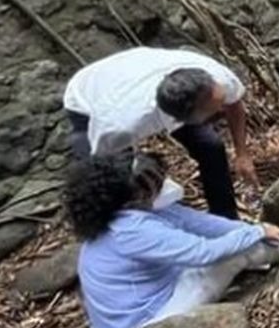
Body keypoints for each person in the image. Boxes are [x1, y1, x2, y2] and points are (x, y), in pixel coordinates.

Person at [68, 152, 279, 328]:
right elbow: (204, 252)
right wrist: (257, 233)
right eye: (159, 184)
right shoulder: (132, 230)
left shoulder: (125, 213)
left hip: (131, 313)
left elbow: (203, 224)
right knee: (237, 252)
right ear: (140, 194)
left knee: (239, 240)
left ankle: (275, 246)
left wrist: (252, 228)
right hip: (143, 326)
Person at [63, 47, 255, 219]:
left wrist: (242, 154)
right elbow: (101, 163)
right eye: (216, 109)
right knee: (113, 176)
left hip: (135, 69)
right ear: (183, 119)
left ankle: (226, 218)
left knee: (210, 147)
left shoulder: (215, 79)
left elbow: (234, 104)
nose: (222, 110)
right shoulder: (122, 124)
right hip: (89, 95)